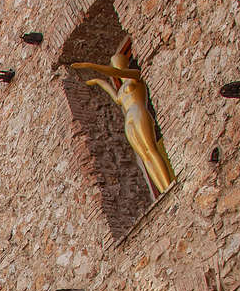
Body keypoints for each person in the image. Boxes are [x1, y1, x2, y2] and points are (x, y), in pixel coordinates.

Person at [70, 37, 175, 194]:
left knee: (151, 148)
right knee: (144, 155)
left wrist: (90, 66)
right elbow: (113, 94)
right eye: (114, 64)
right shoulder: (120, 89)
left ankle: (168, 184)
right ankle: (162, 189)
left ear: (124, 62)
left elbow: (117, 73)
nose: (116, 66)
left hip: (138, 111)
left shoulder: (134, 76)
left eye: (117, 62)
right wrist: (97, 81)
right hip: (129, 118)